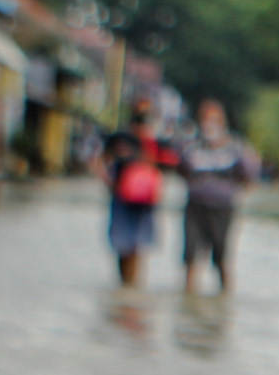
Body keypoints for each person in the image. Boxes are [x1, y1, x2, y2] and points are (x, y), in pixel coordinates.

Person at [179, 97, 256, 294]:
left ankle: (225, 294)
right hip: (195, 206)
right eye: (205, 119)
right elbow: (181, 170)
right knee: (190, 255)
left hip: (222, 208)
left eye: (214, 120)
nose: (209, 125)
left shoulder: (235, 148)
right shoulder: (191, 146)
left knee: (221, 256)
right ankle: (188, 296)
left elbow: (248, 176)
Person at [101, 105, 165, 287]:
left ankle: (132, 285)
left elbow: (161, 168)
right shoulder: (120, 140)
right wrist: (111, 182)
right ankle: (125, 284)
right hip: (122, 200)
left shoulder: (152, 144)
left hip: (142, 202)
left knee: (138, 246)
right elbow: (102, 161)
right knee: (122, 245)